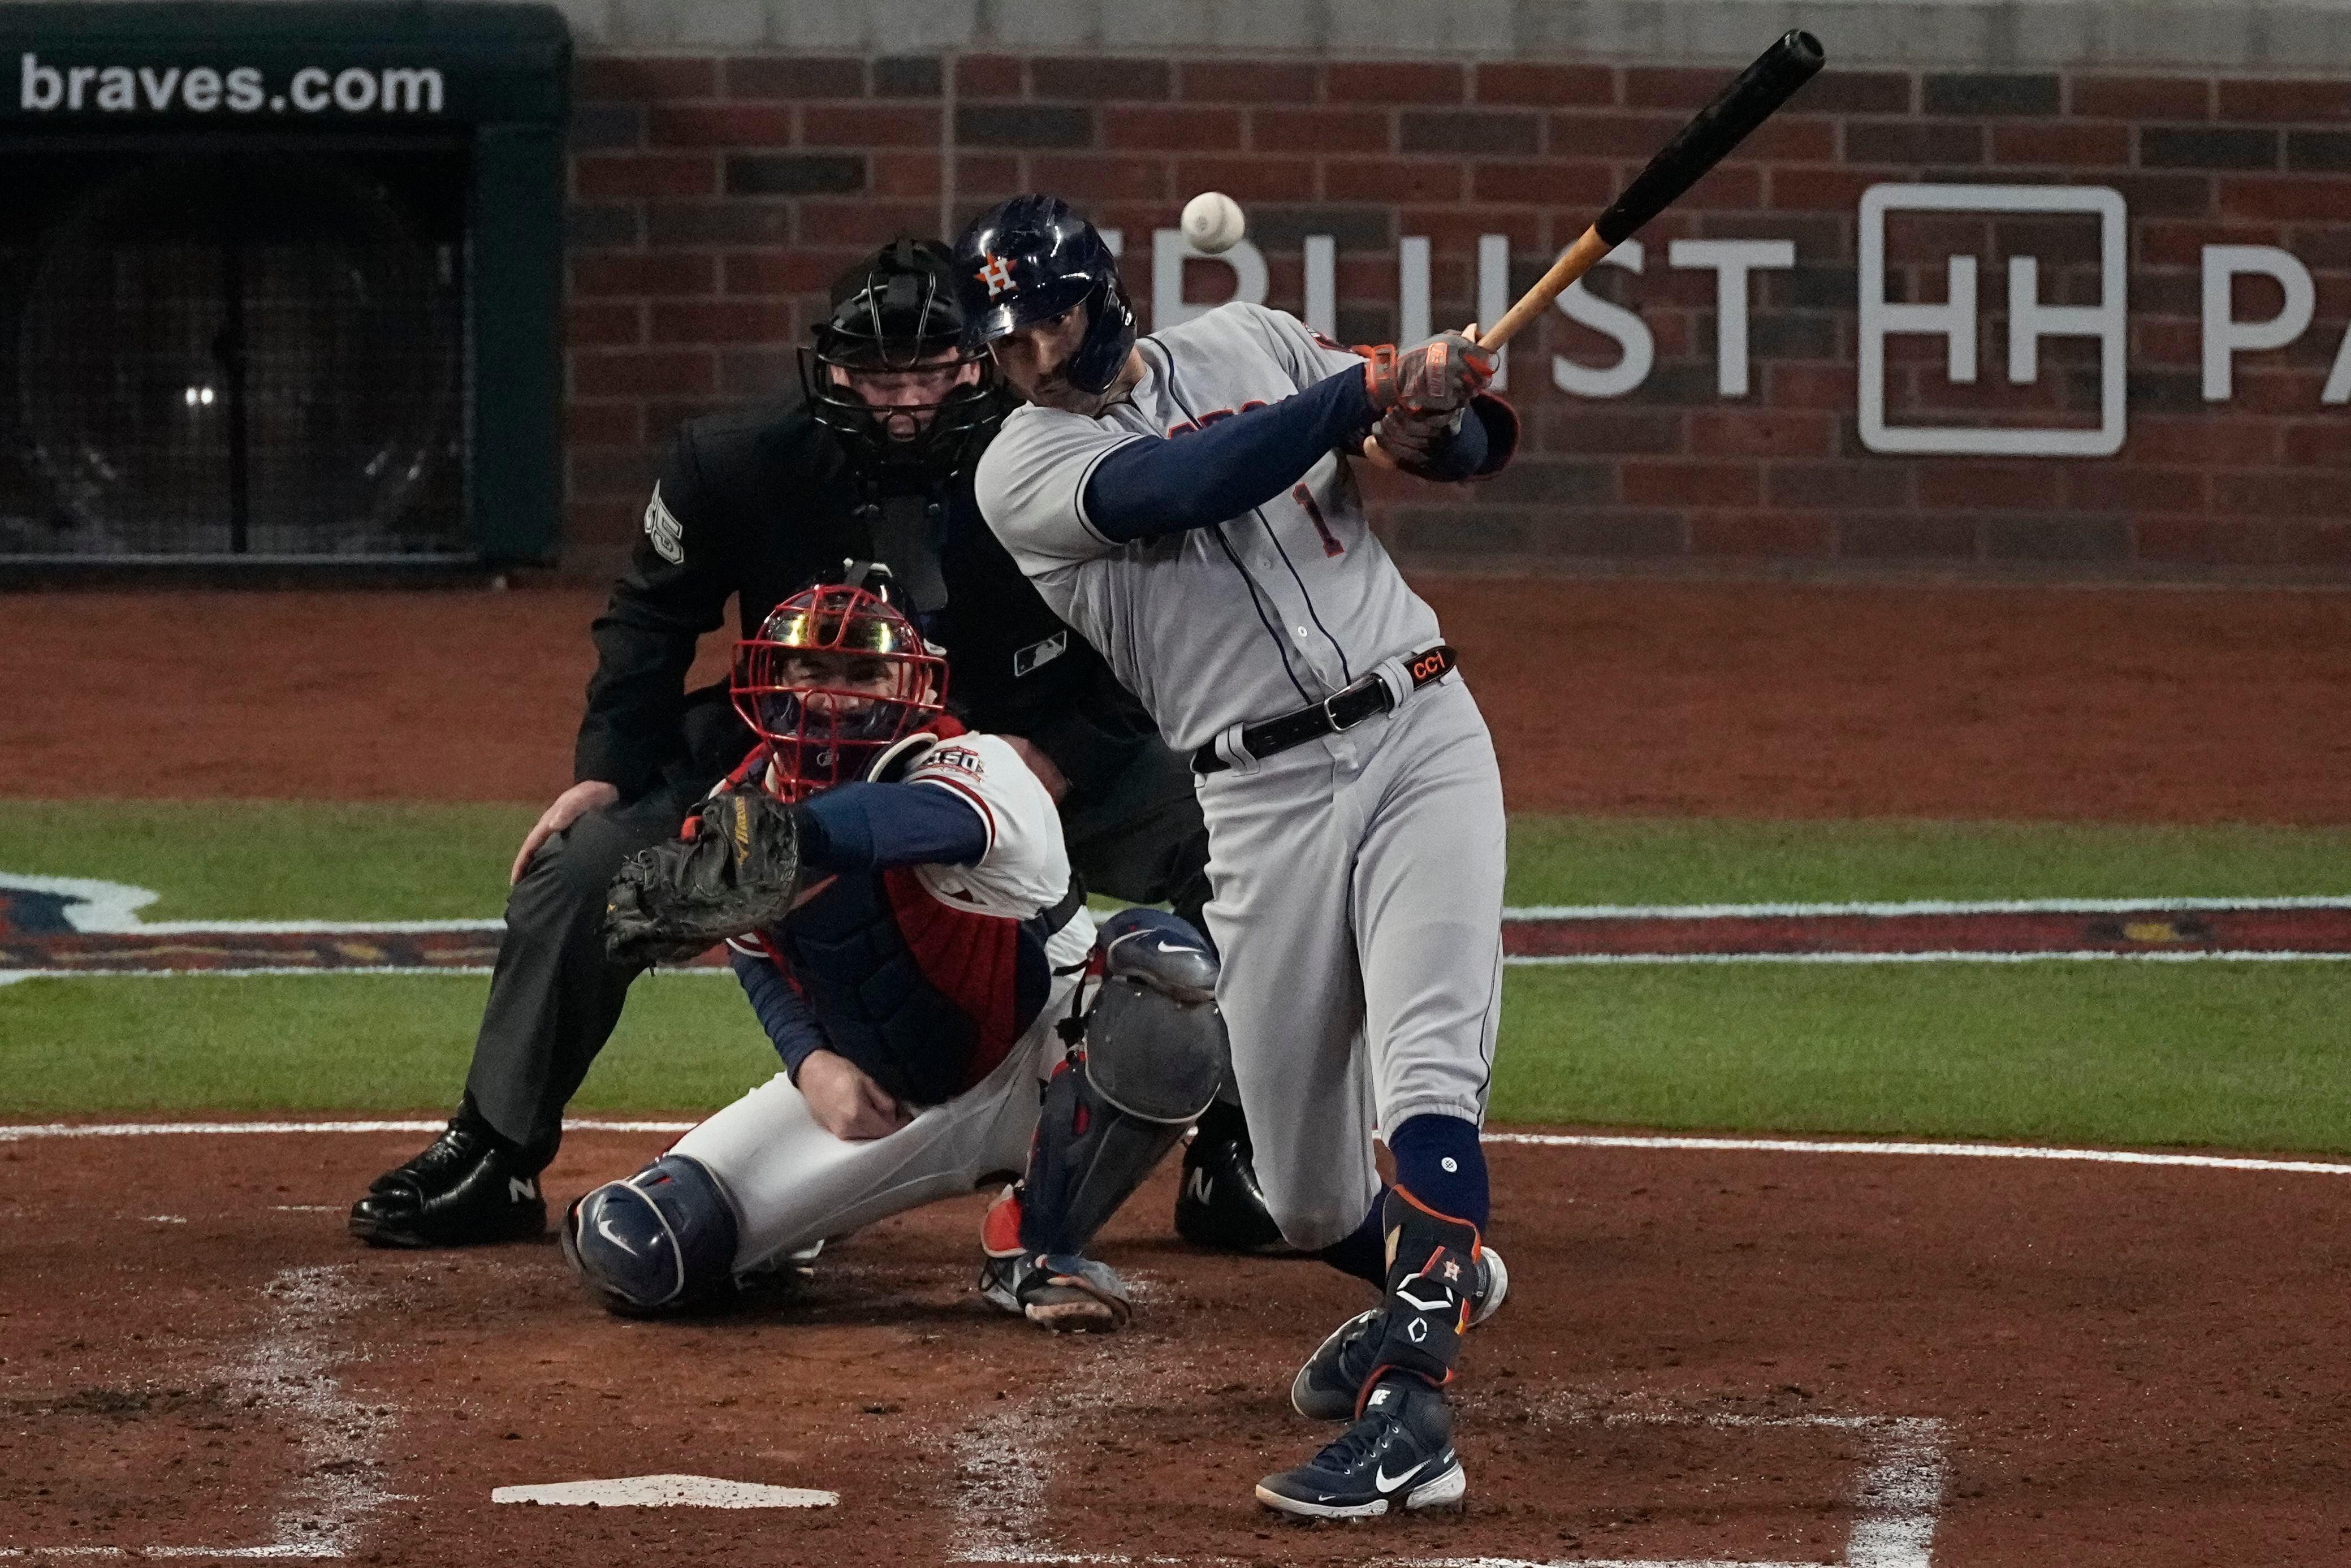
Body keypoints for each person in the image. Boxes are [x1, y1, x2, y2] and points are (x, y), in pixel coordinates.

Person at [349, 237, 1281, 1256]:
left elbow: (1152, 630)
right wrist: (605, 772)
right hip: (786, 758)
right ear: (830, 367)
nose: (906, 401)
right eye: (879, 376)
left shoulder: (1066, 455)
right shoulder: (732, 463)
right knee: (582, 871)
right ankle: (495, 1149)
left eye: (932, 371)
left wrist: (1058, 754)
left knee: (1237, 844)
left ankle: (1239, 1148)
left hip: (1025, 748)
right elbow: (648, 622)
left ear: (980, 360)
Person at [961, 195, 1517, 1519]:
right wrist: (1361, 392)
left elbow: (1469, 449)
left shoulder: (1257, 343)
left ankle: (1413, 1411)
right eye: (1010, 340)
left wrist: (1433, 416)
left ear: (1104, 295)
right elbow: (1188, 480)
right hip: (1257, 799)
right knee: (1307, 1197)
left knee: (1427, 1072)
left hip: (1418, 732)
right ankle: (1432, 1274)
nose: (1035, 356)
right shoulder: (1018, 472)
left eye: (1053, 319)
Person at [560, 577, 1227, 1328]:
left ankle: (1037, 1240)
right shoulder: (738, 810)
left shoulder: (970, 763)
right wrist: (810, 1063)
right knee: (645, 1246)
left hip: (1047, 1052)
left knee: (1166, 985)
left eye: (863, 674)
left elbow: (920, 822)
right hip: (893, 1098)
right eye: (813, 672)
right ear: (773, 681)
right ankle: (800, 1223)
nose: (836, 695)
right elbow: (757, 956)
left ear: (907, 685)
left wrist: (796, 836)